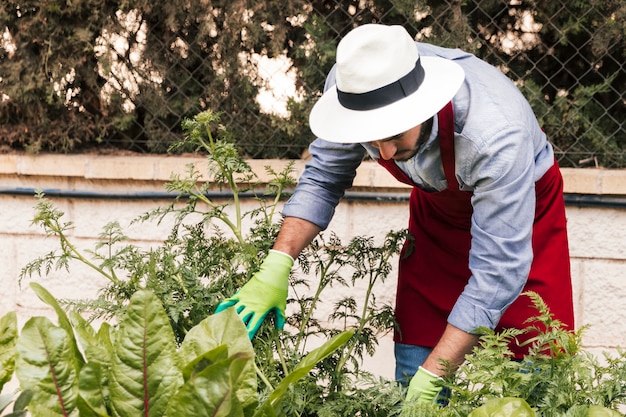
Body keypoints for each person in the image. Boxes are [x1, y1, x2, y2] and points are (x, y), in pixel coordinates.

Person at [216, 23, 575, 404]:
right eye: (370, 138)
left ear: (425, 104)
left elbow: (499, 272)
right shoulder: (351, 85)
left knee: (535, 376)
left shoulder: (496, 132)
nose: (383, 154)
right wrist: (277, 263)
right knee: (412, 368)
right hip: (438, 219)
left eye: (393, 136)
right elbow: (324, 177)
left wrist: (436, 374)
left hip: (524, 223)